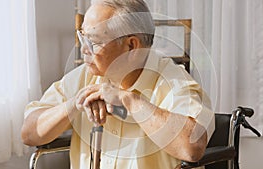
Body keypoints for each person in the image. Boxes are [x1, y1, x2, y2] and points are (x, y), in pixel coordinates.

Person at [21, 0, 215, 168]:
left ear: (131, 46)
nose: (83, 49)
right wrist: (75, 103)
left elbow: (193, 148)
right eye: (83, 37)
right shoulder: (83, 78)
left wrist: (130, 101)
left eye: (94, 41)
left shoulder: (174, 82)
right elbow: (29, 133)